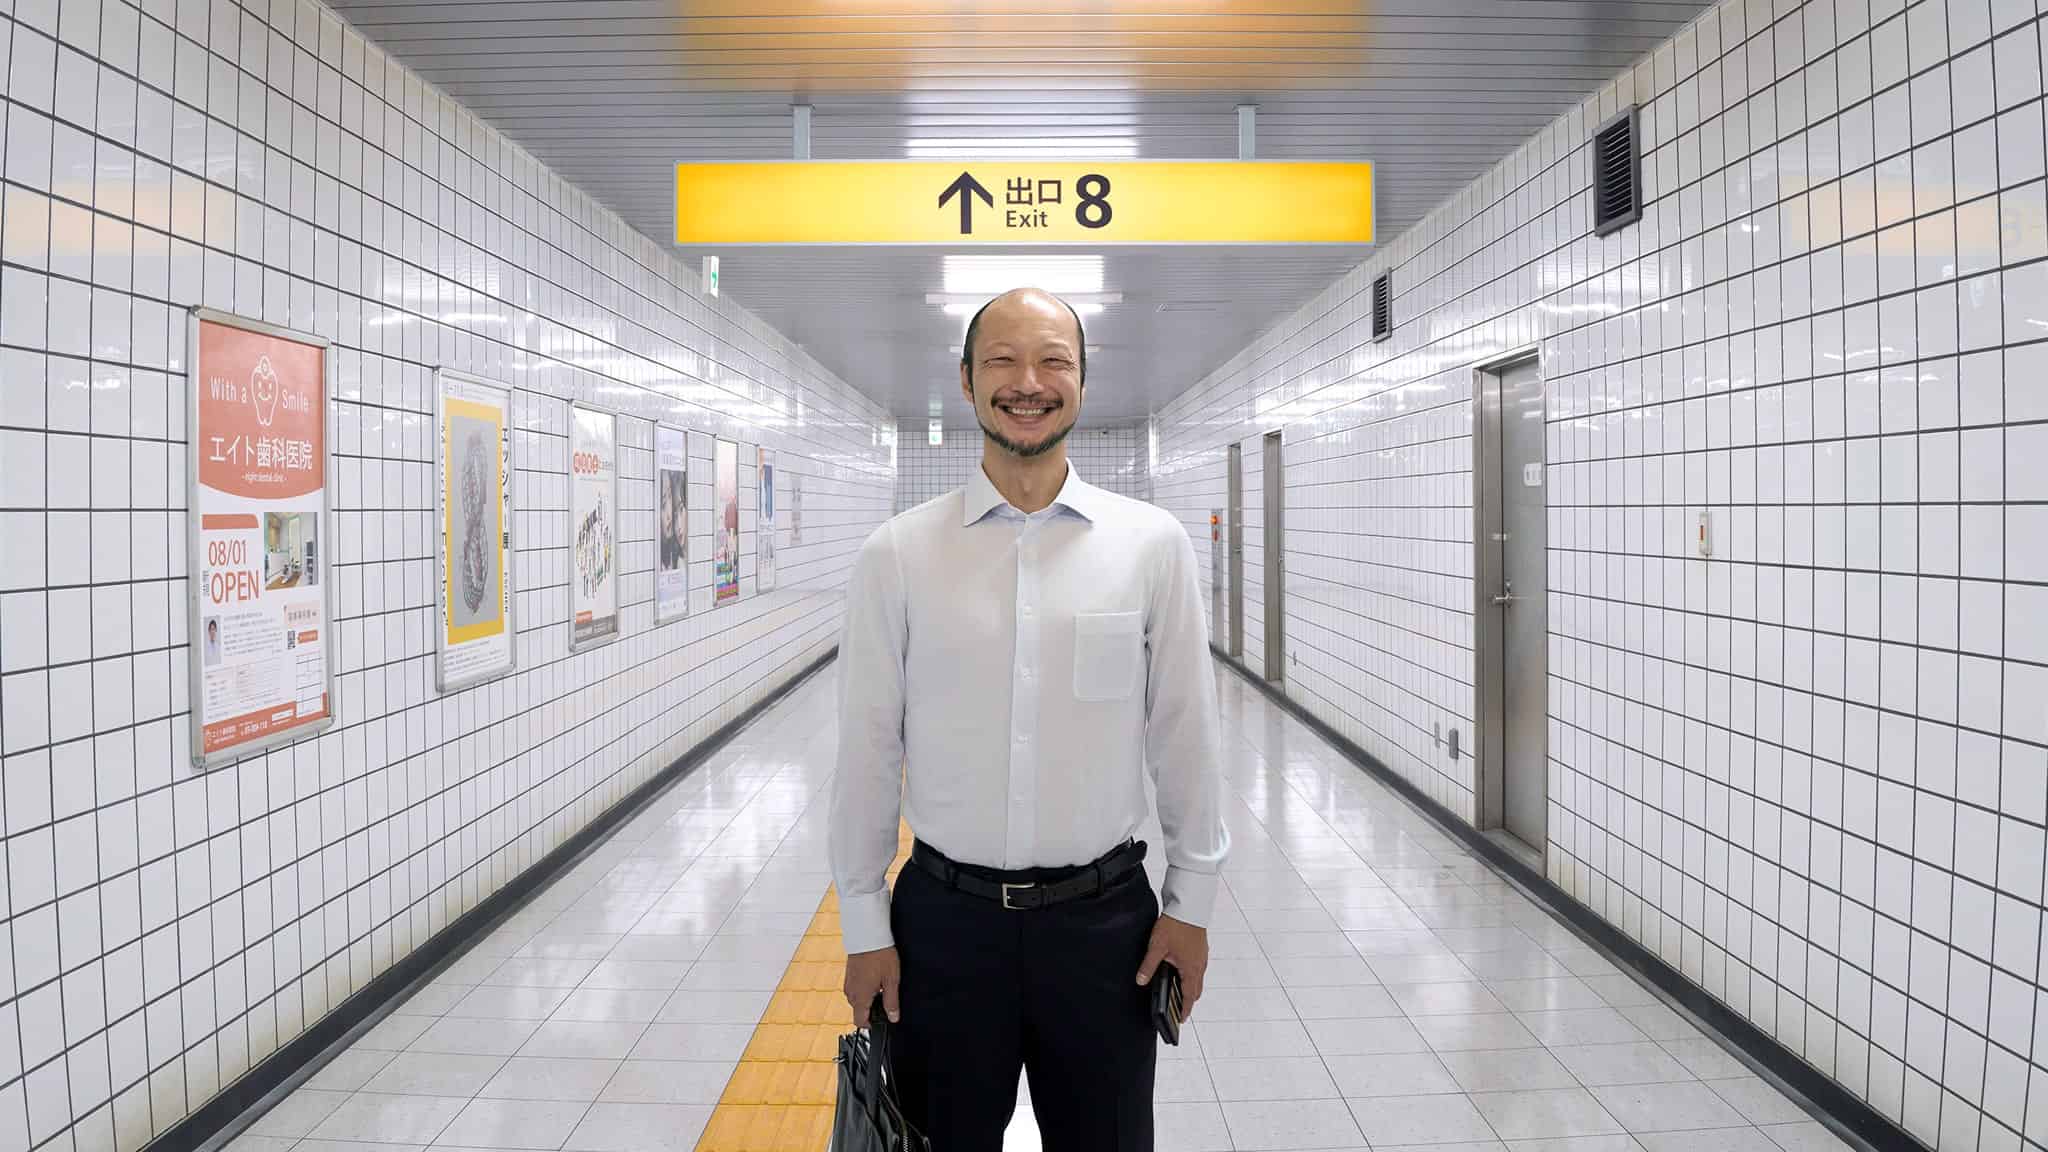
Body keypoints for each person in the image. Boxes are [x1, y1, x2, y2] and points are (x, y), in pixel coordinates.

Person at [831, 287, 1230, 1150]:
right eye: (1002, 361)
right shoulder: (897, 556)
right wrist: (864, 925)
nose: (1028, 381)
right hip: (944, 927)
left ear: (1083, 380)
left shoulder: (1151, 547)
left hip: (1105, 931)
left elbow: (1186, 735)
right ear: (967, 381)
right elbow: (865, 752)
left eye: (1053, 360)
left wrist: (1189, 904)